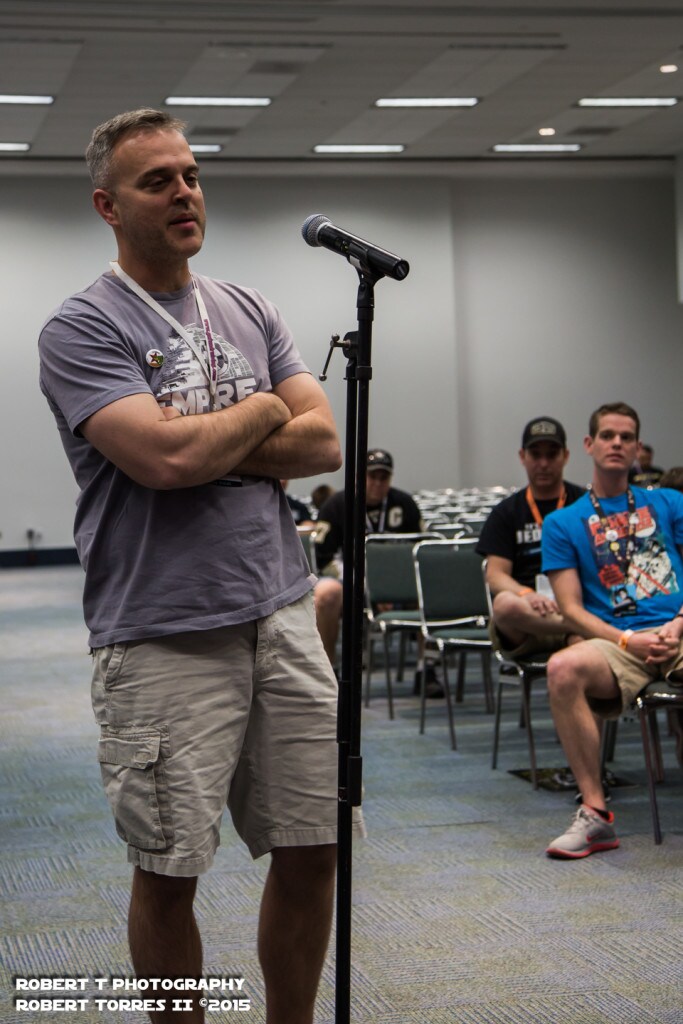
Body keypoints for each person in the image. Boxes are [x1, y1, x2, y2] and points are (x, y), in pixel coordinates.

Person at [38, 108, 362, 1023]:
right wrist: (263, 408)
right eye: (157, 181)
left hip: (282, 615)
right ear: (108, 205)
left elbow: (325, 441)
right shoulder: (80, 328)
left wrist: (217, 430)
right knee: (170, 866)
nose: (184, 192)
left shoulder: (247, 305)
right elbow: (164, 463)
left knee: (312, 846)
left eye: (189, 174)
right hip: (164, 635)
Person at [542, 401, 683, 859]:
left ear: (638, 448)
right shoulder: (563, 522)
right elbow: (569, 610)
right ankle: (596, 814)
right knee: (562, 667)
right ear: (589, 445)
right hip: (618, 642)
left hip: (679, 629)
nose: (617, 443)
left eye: (626, 437)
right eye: (607, 435)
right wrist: (625, 639)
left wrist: (678, 625)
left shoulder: (670, 503)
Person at [476, 416, 585, 655]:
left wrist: (572, 607)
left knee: (582, 647)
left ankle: (580, 624)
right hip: (529, 621)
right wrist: (527, 594)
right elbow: (495, 575)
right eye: (535, 455)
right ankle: (585, 624)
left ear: (565, 456)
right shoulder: (506, 512)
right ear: (522, 457)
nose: (543, 463)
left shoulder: (585, 504)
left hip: (578, 606)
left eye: (552, 455)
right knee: (504, 606)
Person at [313, 448, 422, 666]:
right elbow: (324, 560)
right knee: (325, 593)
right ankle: (330, 669)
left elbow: (419, 554)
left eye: (384, 477)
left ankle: (426, 668)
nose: (378, 483)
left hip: (398, 585)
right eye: (372, 476)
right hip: (350, 583)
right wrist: (368, 586)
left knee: (429, 588)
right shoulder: (336, 506)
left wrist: (393, 587)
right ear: (359, 477)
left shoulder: (404, 504)